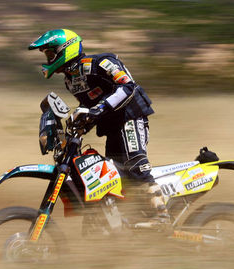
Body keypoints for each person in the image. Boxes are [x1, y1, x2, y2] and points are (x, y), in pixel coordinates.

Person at [29, 28, 169, 224]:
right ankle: (133, 219)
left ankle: (162, 218)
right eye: (48, 55)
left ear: (64, 49)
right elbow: (89, 106)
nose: (49, 59)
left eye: (51, 54)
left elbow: (129, 87)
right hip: (111, 129)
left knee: (136, 167)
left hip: (131, 119)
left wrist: (96, 110)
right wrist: (78, 122)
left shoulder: (101, 63)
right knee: (118, 176)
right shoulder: (71, 80)